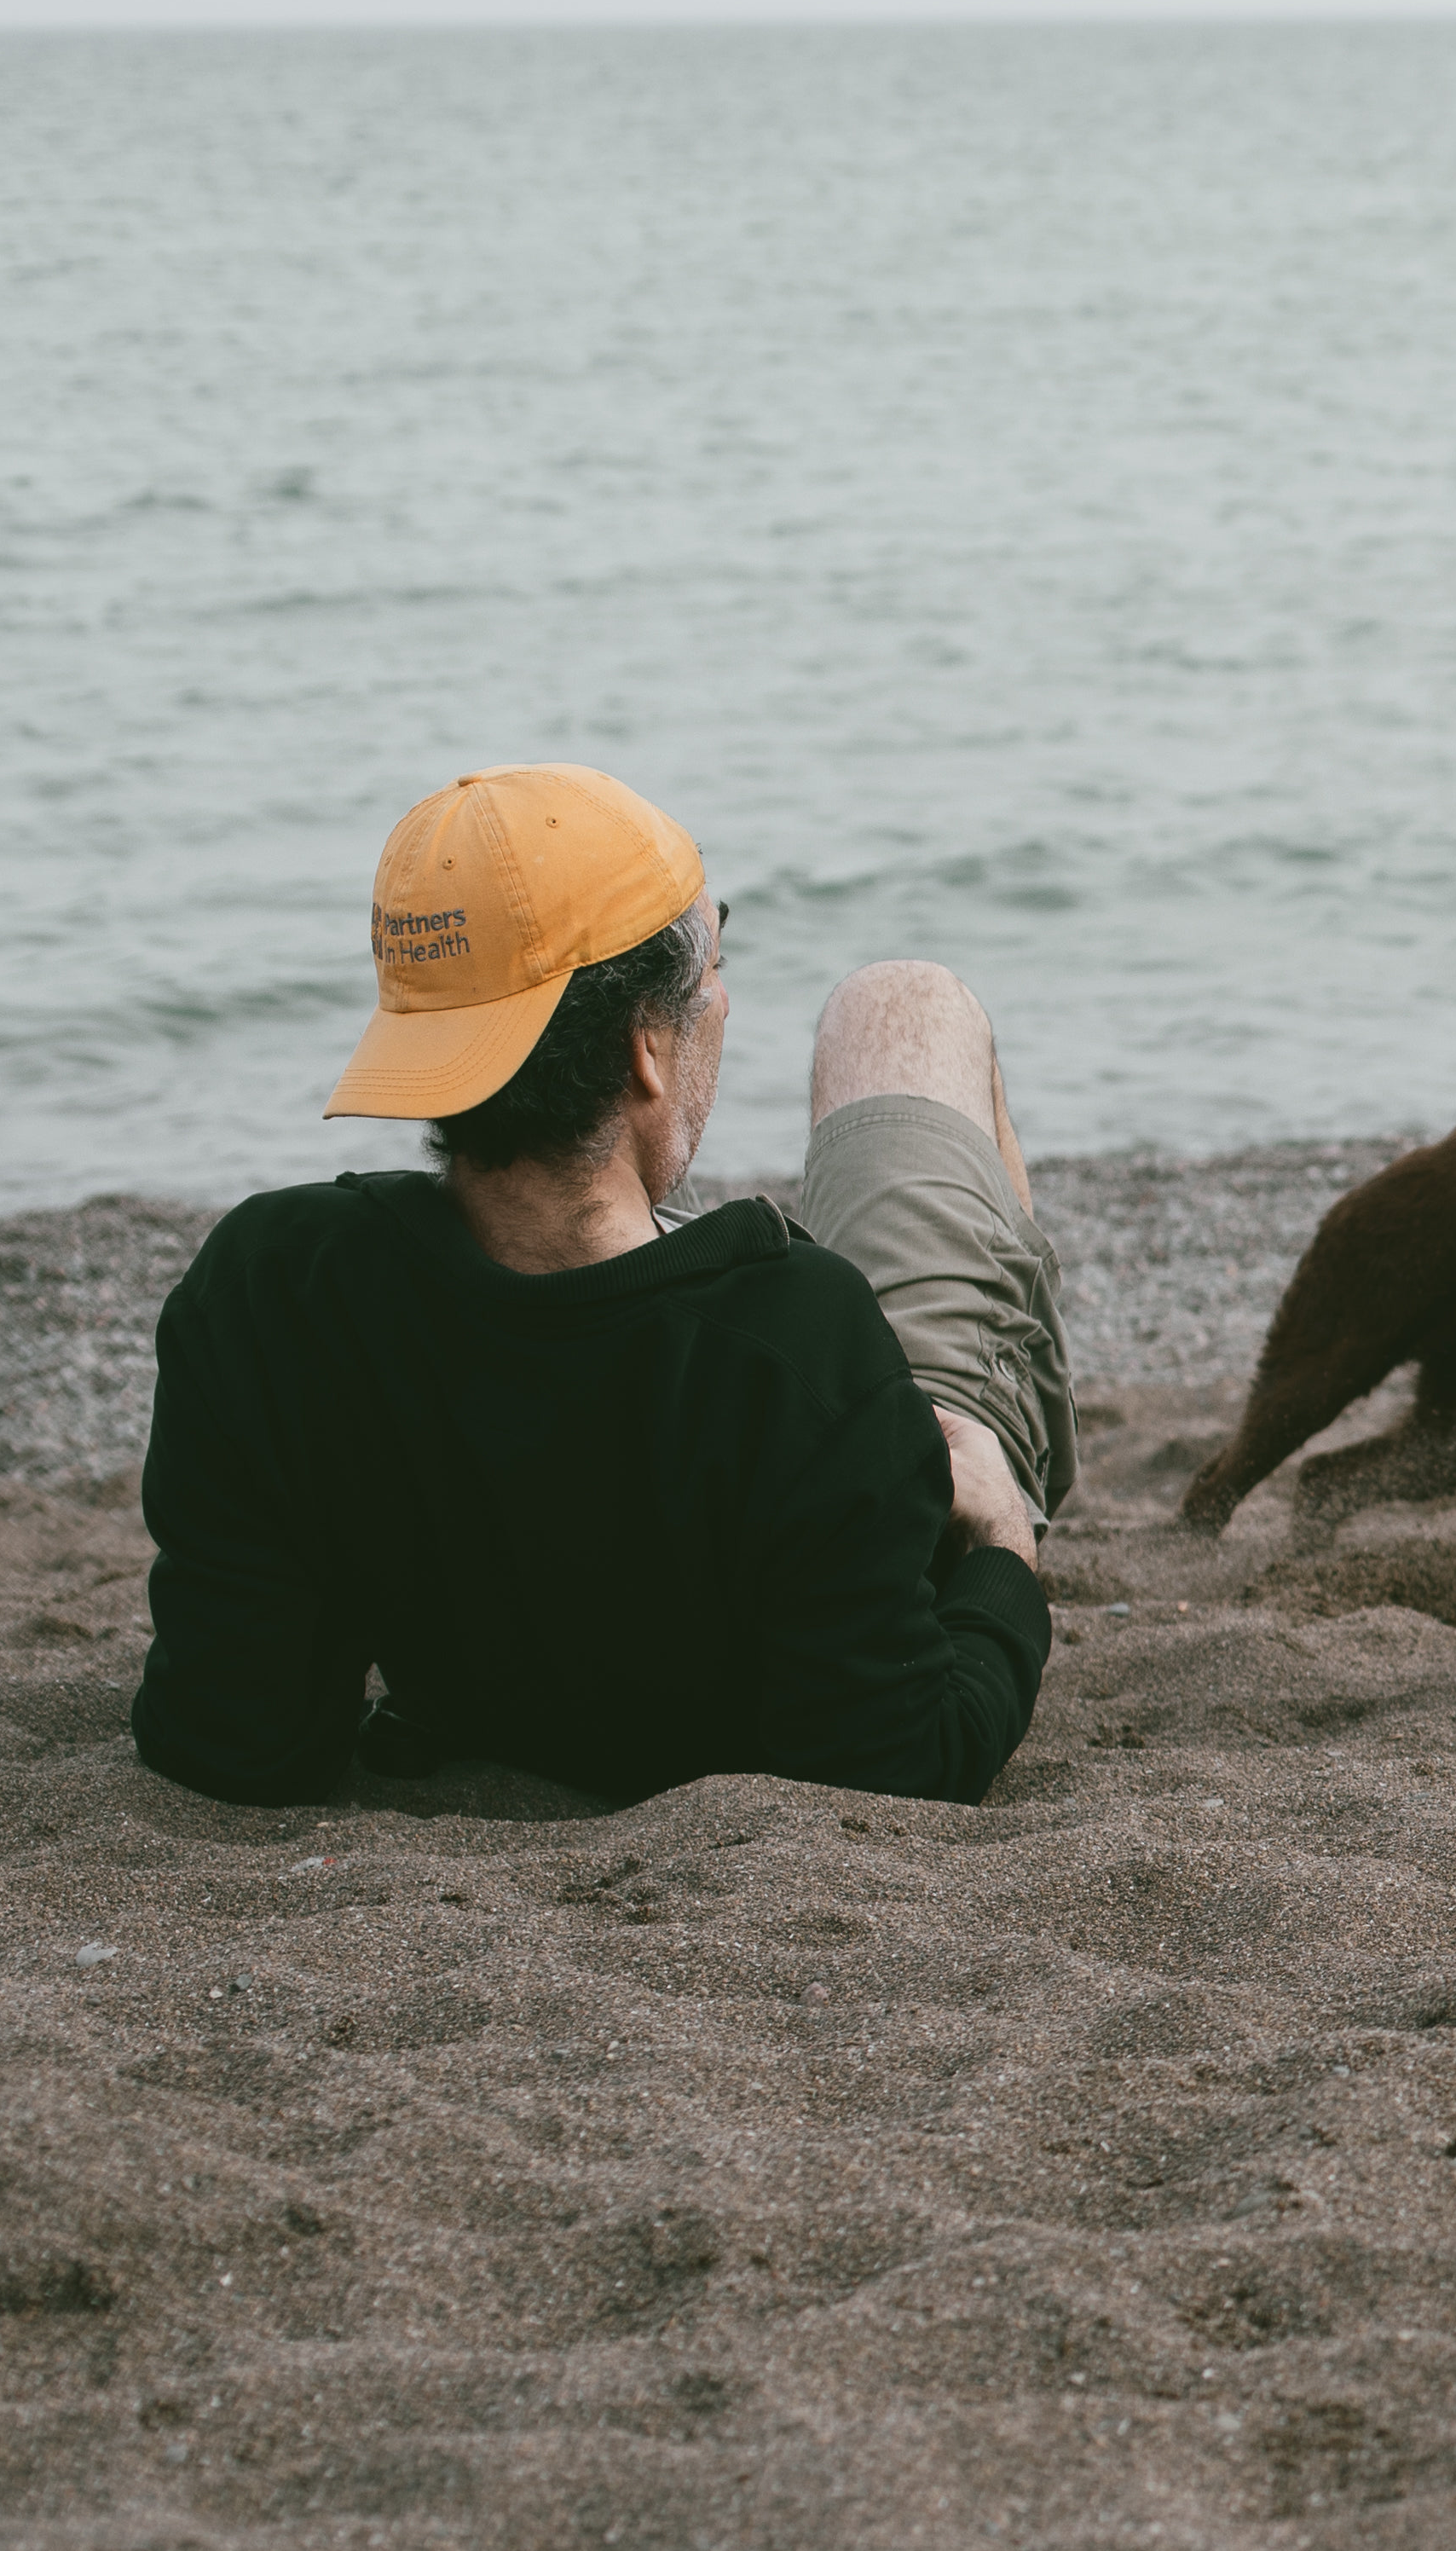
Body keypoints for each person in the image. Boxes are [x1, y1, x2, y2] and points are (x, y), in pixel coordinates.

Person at [130, 765, 1076, 1808]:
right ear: (645, 1045)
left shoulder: (274, 1289)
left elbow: (230, 1732)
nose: (723, 997)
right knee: (902, 1002)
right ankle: (1016, 1448)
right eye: (714, 958)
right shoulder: (797, 1344)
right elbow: (903, 1763)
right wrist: (998, 1554)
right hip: (880, 1471)